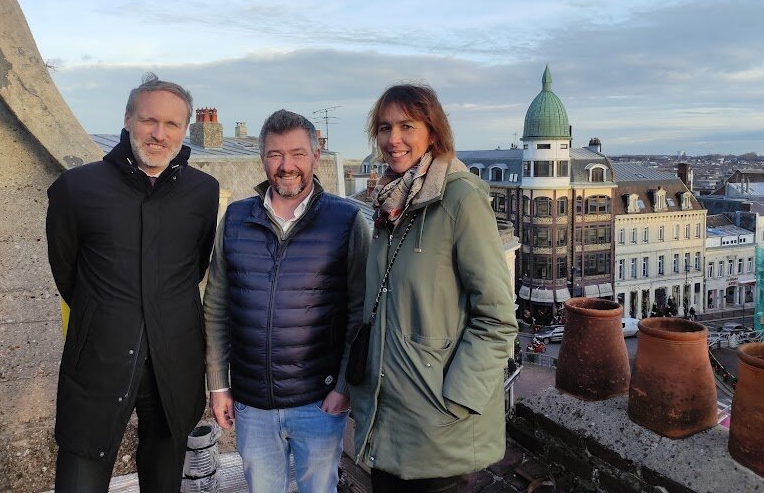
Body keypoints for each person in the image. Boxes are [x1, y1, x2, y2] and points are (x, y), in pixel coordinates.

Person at [46, 73, 220, 492]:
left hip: (174, 364)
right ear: (127, 119)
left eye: (172, 124)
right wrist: (108, 314)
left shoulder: (203, 191)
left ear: (185, 128)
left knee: (164, 480)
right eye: (148, 121)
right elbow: (67, 272)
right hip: (98, 363)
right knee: (80, 478)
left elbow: (193, 267)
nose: (159, 134)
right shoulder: (76, 188)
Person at [348, 83, 518, 493]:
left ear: (433, 131)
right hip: (388, 412)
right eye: (385, 128)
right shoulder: (394, 201)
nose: (393, 139)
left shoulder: (460, 199)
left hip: (435, 420)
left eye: (407, 125)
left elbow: (497, 317)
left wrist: (455, 399)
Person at [203, 109, 370, 493]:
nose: (286, 165)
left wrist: (343, 385)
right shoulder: (235, 218)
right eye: (275, 154)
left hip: (319, 402)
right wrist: (218, 384)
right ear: (262, 158)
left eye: (297, 153)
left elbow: (360, 314)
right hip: (252, 405)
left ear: (316, 155)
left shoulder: (345, 220)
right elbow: (216, 307)